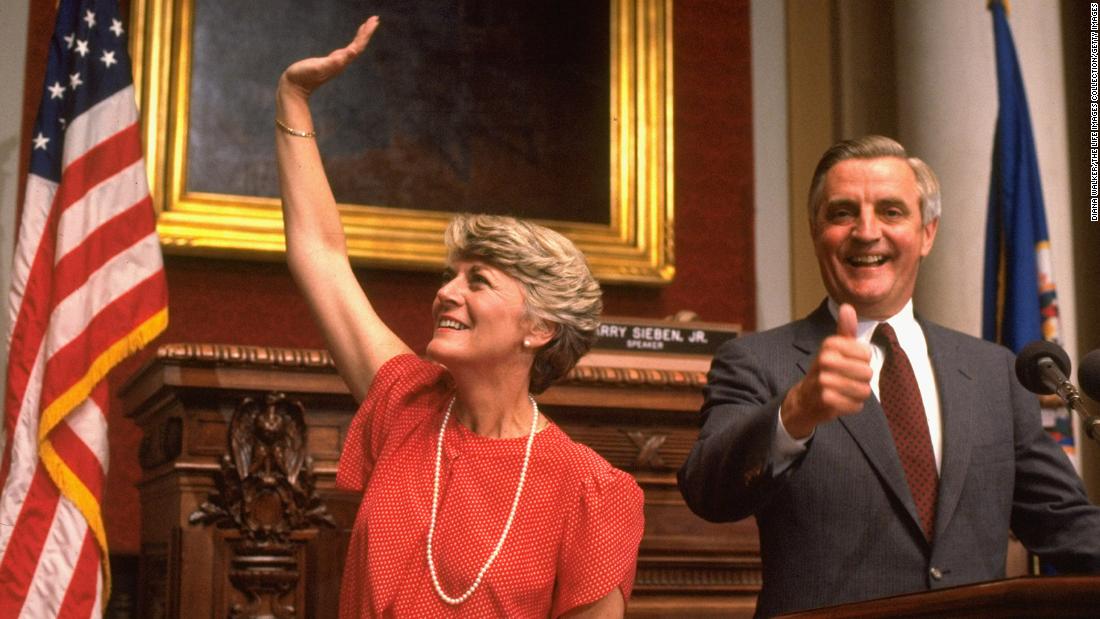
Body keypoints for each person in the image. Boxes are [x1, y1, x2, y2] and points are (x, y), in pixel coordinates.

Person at [275, 17, 644, 618]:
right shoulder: (404, 402)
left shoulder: (591, 491)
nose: (446, 292)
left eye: (478, 280)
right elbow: (319, 253)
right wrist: (293, 98)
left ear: (540, 327)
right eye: (451, 275)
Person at [677, 135, 1100, 617]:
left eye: (891, 211)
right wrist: (795, 413)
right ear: (816, 231)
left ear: (927, 233)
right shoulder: (755, 361)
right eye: (842, 213)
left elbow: (1063, 524)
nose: (866, 231)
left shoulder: (993, 373)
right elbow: (708, 492)